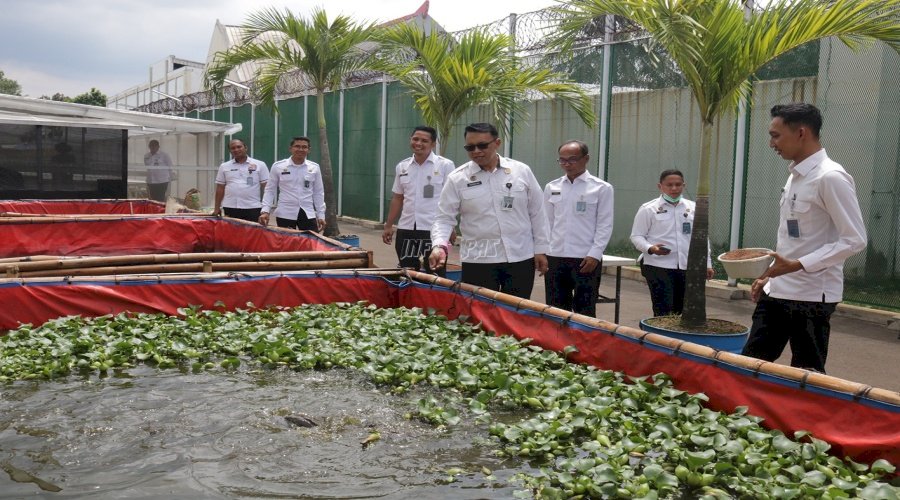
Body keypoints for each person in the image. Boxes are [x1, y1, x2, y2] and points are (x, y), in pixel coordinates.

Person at [741, 103, 866, 373]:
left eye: (776, 135)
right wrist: (770, 277)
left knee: (807, 374)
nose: (771, 143)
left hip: (811, 298)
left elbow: (854, 239)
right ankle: (747, 415)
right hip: (778, 291)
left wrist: (796, 266)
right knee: (750, 364)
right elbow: (794, 237)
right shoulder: (795, 176)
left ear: (801, 133)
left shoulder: (831, 177)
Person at [428, 122, 549, 299]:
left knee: (516, 314)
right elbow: (444, 218)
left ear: (497, 143)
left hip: (519, 257)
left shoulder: (521, 171)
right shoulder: (458, 179)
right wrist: (439, 246)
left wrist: (541, 249)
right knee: (480, 316)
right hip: (478, 260)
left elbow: (537, 212)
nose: (476, 151)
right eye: (470, 147)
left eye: (482, 145)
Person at [543, 140, 614, 317]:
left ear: (586, 158)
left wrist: (595, 254)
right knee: (555, 308)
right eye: (562, 160)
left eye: (572, 159)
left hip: (585, 259)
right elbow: (546, 223)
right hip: (555, 256)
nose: (567, 164)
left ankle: (584, 344)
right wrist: (543, 252)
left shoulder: (601, 188)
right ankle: (558, 344)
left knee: (585, 308)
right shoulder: (552, 187)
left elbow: (605, 224)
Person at [630, 169, 713, 317]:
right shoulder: (649, 209)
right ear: (660, 186)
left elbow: (702, 238)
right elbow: (636, 236)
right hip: (658, 265)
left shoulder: (693, 208)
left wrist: (707, 263)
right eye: (669, 185)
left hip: (686, 266)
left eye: (678, 184)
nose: (674, 188)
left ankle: (675, 339)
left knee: (681, 310)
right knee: (663, 310)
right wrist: (651, 248)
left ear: (684, 185)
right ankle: (660, 338)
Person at [382, 126, 456, 273]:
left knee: (436, 273)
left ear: (433, 144)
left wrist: (452, 227)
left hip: (433, 231)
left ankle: (435, 296)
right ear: (411, 140)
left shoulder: (445, 165)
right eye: (415, 139)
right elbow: (398, 197)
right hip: (406, 229)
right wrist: (389, 225)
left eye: (424, 140)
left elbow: (452, 199)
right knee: (407, 272)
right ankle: (410, 296)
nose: (419, 143)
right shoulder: (402, 167)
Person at [260, 137, 325, 232]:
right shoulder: (278, 166)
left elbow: (318, 192)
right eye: (297, 146)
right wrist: (265, 211)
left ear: (309, 150)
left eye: (304, 147)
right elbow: (270, 190)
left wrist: (321, 215)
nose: (300, 149)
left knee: (310, 242)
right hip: (285, 212)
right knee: (286, 243)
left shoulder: (314, 167)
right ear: (290, 149)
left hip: (307, 212)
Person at [213, 139, 269, 223]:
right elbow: (220, 188)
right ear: (230, 151)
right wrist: (217, 208)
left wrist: (266, 209)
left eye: (239, 147)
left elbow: (267, 188)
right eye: (233, 148)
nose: (236, 150)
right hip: (230, 207)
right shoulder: (224, 166)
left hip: (252, 208)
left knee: (252, 234)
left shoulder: (260, 165)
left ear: (245, 148)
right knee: (232, 234)